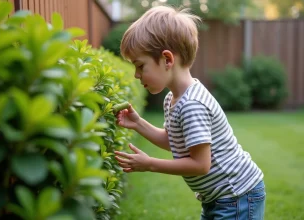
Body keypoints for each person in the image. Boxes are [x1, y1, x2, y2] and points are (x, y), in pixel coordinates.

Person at [114, 5, 265, 220]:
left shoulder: (193, 105)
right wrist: (138, 123)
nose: (136, 75)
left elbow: (200, 165)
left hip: (237, 195)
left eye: (140, 66)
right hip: (218, 196)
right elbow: (174, 141)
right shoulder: (172, 99)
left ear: (167, 59)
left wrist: (150, 164)